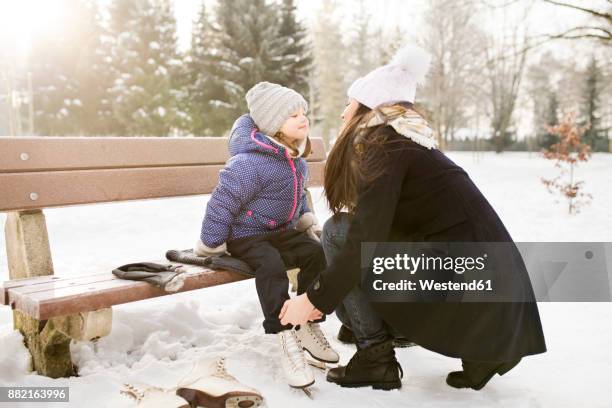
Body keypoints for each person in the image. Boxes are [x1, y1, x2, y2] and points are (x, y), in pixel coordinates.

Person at [279, 46, 547, 391]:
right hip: (490, 296)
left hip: (466, 285)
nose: (344, 113)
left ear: (368, 107)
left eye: (350, 102)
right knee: (348, 273)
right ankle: (481, 353)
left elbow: (364, 238)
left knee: (337, 232)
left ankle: (375, 357)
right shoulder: (408, 140)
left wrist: (313, 299)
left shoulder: (384, 145)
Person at [194, 82, 339, 389]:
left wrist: (304, 221)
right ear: (274, 125)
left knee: (315, 252)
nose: (303, 119)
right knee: (271, 265)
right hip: (246, 236)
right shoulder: (248, 164)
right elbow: (222, 202)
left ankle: (307, 322)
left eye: (303, 113)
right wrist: (210, 242)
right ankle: (284, 331)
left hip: (280, 232)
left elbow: (297, 198)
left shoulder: (295, 161)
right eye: (293, 115)